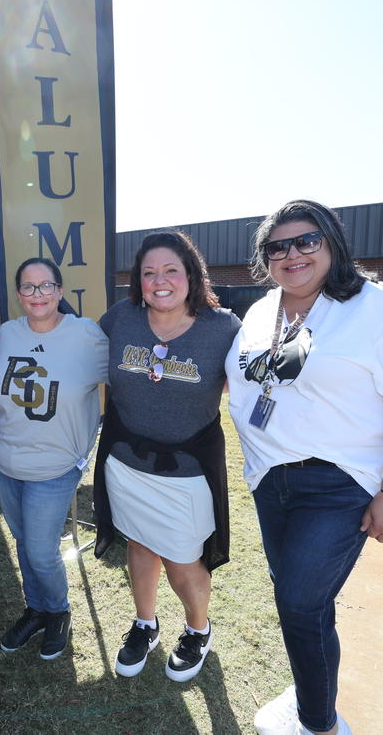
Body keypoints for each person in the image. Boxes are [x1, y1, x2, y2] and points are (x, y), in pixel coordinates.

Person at [225, 200, 383, 735]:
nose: (293, 254)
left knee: (300, 602)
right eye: (277, 246)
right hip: (270, 480)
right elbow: (249, 380)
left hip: (339, 483)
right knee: (306, 602)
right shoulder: (263, 312)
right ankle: (312, 691)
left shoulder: (377, 310)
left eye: (307, 240)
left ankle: (318, 723)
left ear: (332, 243)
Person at [92, 230, 241, 683]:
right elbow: (77, 354)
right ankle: (145, 624)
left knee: (181, 558)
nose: (160, 280)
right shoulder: (120, 318)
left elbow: (255, 392)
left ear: (191, 275)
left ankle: (198, 629)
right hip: (126, 462)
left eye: (171, 270)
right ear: (138, 280)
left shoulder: (225, 328)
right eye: (149, 272)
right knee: (139, 544)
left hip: (187, 470)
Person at [0, 258, 107, 660]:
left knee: (40, 550)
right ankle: (36, 607)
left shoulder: (86, 335)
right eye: (29, 287)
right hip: (5, 459)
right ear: (19, 294)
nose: (38, 294)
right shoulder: (6, 335)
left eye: (46, 286)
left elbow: (126, 379)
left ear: (59, 290)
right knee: (24, 543)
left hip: (54, 467)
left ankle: (58, 611)